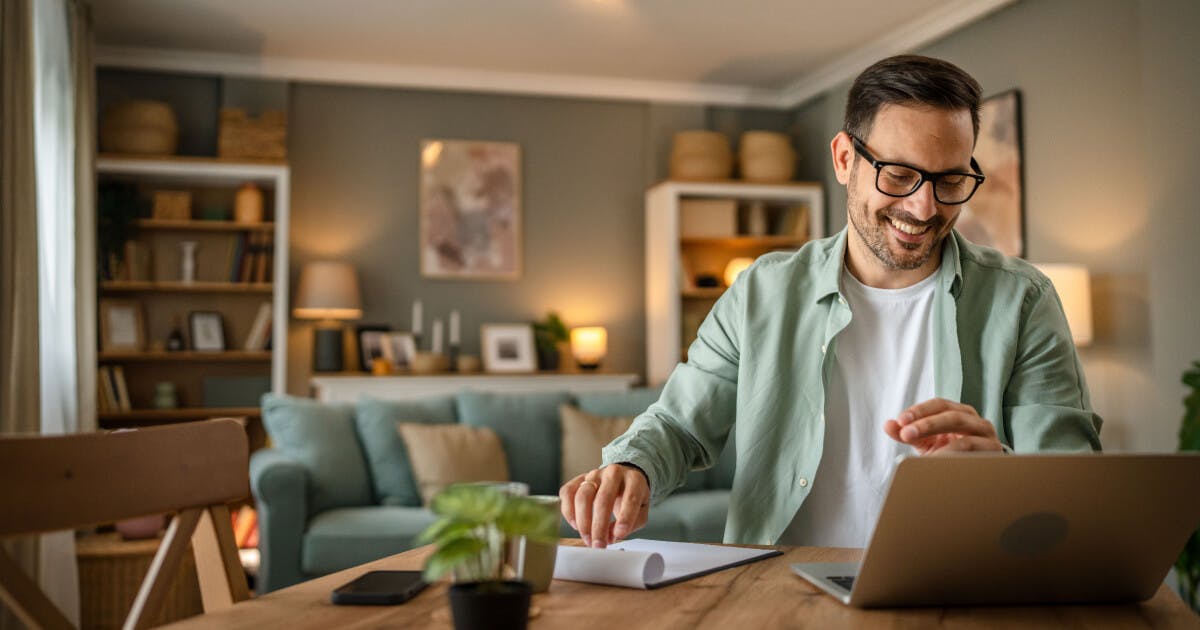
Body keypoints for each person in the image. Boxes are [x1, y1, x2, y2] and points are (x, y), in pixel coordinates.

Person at [559, 55, 1102, 550]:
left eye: (950, 180)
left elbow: (1076, 493)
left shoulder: (1023, 301)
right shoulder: (760, 293)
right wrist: (633, 464)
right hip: (775, 599)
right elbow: (679, 425)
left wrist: (1002, 474)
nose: (924, 206)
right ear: (845, 159)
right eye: (900, 175)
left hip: (955, 595)